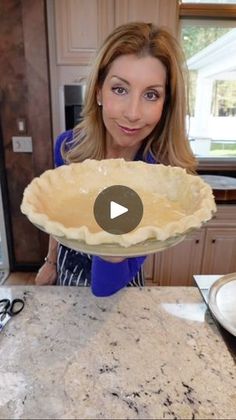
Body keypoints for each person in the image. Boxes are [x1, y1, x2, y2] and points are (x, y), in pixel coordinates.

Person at [35, 21, 196, 296]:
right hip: (67, 267)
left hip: (120, 281)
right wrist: (50, 262)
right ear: (98, 91)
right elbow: (57, 215)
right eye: (120, 89)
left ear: (166, 105)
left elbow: (105, 286)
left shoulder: (159, 176)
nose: (133, 113)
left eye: (151, 94)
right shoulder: (68, 148)